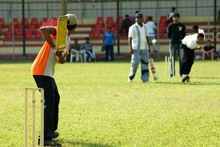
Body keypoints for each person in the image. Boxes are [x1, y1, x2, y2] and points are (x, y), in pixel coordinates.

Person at [31, 14, 78, 146]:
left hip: (48, 72)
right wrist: (53, 47)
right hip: (41, 70)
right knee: (49, 101)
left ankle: (50, 131)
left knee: (55, 98)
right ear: (75, 27)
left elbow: (62, 59)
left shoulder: (66, 38)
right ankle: (44, 138)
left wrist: (61, 58)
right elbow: (43, 30)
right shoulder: (59, 30)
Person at [128, 13, 151, 83]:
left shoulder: (145, 27)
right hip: (136, 48)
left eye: (140, 18)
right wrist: (130, 48)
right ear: (135, 19)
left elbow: (147, 36)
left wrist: (148, 46)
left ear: (142, 19)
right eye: (137, 18)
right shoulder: (132, 27)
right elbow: (130, 38)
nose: (139, 19)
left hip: (144, 48)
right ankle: (131, 77)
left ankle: (145, 79)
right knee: (135, 63)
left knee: (145, 64)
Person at [167, 13, 186, 77]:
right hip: (172, 44)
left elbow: (184, 35)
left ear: (179, 18)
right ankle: (172, 73)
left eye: (177, 17)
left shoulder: (182, 26)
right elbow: (169, 36)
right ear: (173, 18)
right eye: (175, 17)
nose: (176, 18)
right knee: (172, 59)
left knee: (181, 59)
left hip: (180, 44)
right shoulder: (170, 26)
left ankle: (182, 73)